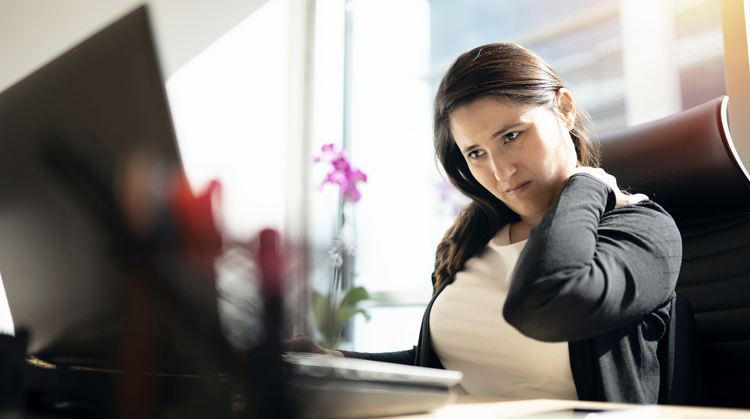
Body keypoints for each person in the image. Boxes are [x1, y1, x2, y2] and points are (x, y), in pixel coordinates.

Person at [285, 43, 702, 404]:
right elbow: (449, 366)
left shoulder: (644, 229)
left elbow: (549, 302)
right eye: (476, 154)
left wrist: (587, 182)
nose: (501, 171)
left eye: (511, 136)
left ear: (566, 109)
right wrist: (335, 362)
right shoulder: (470, 240)